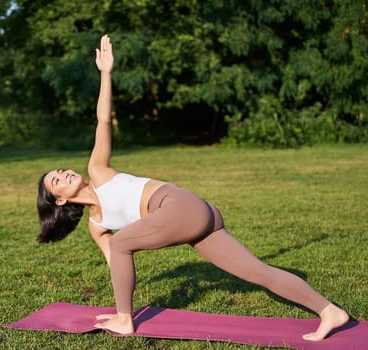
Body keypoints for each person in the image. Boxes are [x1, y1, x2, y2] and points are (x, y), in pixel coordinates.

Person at [35, 34, 349, 341]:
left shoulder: (98, 171)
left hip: (177, 205)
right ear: (60, 200)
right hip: (200, 219)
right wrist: (120, 299)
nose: (65, 174)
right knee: (256, 271)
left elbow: (102, 121)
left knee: (121, 244)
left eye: (62, 171)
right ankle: (329, 310)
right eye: (57, 180)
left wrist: (106, 74)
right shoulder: (96, 226)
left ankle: (125, 321)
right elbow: (118, 266)